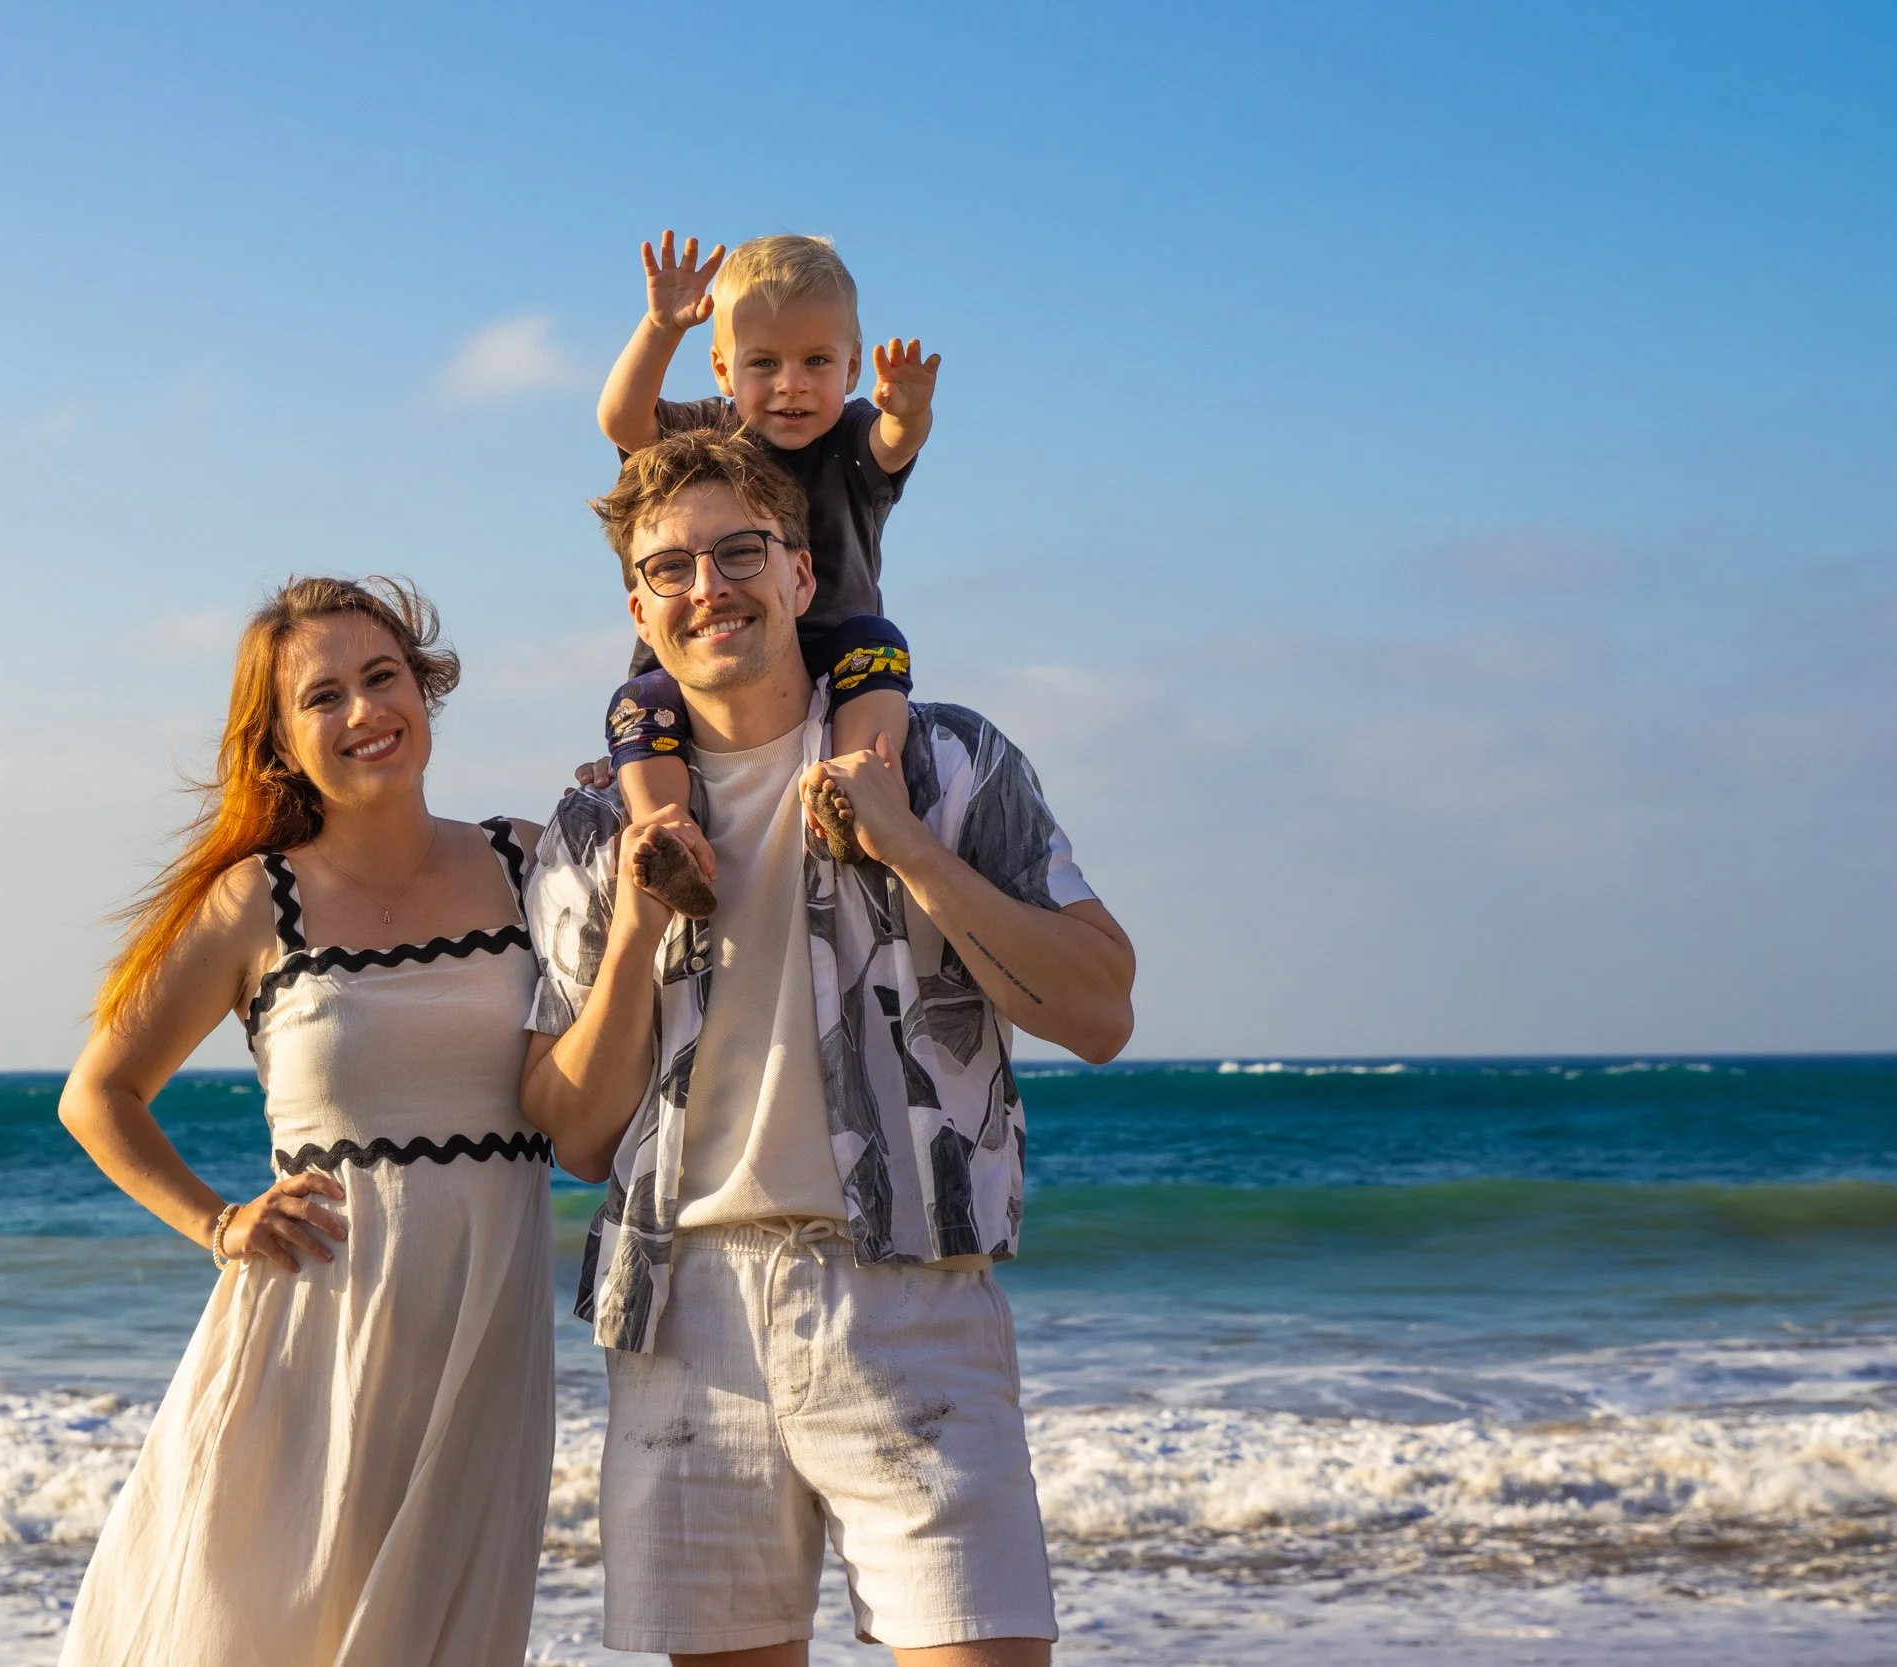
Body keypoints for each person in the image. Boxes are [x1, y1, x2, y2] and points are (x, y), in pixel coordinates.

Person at [520, 431, 1136, 1665]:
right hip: (684, 1319)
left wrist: (907, 842)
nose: (709, 586)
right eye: (671, 567)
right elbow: (575, 1134)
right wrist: (642, 916)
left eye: (739, 551)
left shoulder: (945, 759)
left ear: (803, 574)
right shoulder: (596, 824)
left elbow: (1101, 1011)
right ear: (637, 606)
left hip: (912, 1295)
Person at [56, 576, 553, 1667]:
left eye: (383, 677)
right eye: (322, 697)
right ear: (281, 741)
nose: (365, 711)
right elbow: (97, 1094)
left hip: (483, 1346)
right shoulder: (253, 899)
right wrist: (218, 1222)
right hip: (305, 1341)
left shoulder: (533, 861)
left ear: (425, 688)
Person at [594, 229, 941, 917]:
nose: (791, 384)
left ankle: (854, 791)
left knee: (880, 646)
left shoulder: (851, 438)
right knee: (640, 706)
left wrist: (908, 409)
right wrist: (663, 330)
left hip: (831, 649)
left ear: (849, 373)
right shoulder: (710, 434)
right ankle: (670, 838)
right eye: (764, 363)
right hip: (708, 653)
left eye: (816, 361)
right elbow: (622, 419)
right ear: (723, 370)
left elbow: (893, 443)